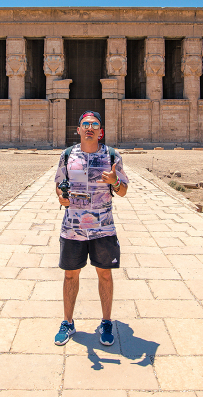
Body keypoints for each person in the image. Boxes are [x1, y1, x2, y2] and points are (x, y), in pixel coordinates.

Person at [53, 111, 129, 346]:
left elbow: (123, 190)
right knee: (69, 275)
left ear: (100, 131)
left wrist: (114, 181)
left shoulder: (112, 156)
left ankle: (106, 322)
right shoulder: (68, 155)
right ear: (78, 130)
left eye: (94, 125)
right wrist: (61, 197)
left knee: (105, 274)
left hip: (102, 228)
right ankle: (68, 322)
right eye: (85, 124)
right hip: (73, 228)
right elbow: (58, 184)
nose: (89, 128)